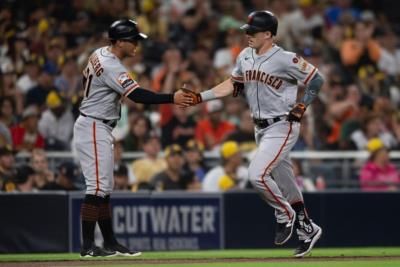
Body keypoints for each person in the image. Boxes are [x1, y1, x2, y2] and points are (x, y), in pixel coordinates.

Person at [183, 11, 324, 257]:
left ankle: (285, 214)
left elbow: (316, 79)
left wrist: (303, 105)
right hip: (260, 127)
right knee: (285, 182)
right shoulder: (245, 56)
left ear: (268, 34)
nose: (247, 35)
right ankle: (307, 229)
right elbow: (231, 84)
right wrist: (200, 97)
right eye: (246, 30)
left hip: (283, 124)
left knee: (257, 175)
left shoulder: (286, 59)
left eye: (253, 31)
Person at [73, 19, 193, 258]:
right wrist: (173, 97)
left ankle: (110, 242)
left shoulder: (99, 53)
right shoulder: (110, 65)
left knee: (105, 187)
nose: (137, 43)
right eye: (132, 39)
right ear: (118, 42)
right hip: (94, 125)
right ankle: (87, 246)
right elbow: (138, 96)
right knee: (97, 187)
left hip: (97, 124)